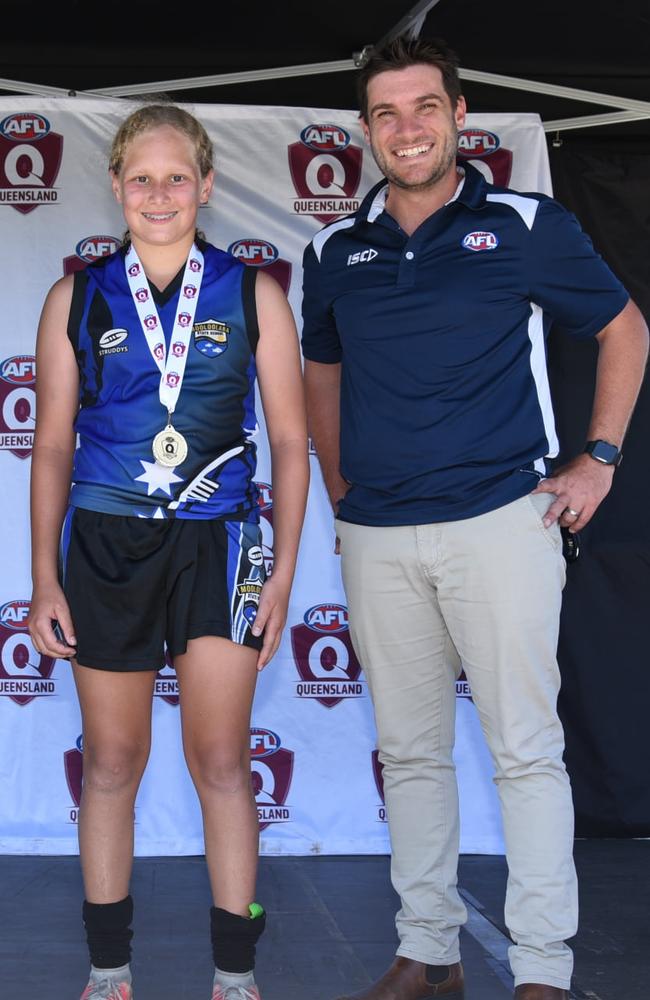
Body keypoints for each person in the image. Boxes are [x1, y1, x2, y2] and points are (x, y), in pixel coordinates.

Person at [301, 37, 648, 1000]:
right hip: (379, 534)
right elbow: (318, 372)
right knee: (409, 755)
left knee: (525, 753)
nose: (405, 129)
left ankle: (540, 971)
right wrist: (342, 493)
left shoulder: (527, 222)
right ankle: (430, 953)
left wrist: (601, 460)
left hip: (501, 520)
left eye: (423, 108)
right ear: (364, 131)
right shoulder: (336, 251)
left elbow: (624, 327)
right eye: (385, 114)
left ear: (461, 115)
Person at [28, 103, 309, 1000]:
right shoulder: (75, 296)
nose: (158, 193)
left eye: (176, 176)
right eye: (140, 177)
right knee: (112, 764)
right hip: (105, 545)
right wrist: (42, 578)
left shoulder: (254, 291)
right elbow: (53, 448)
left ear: (208, 185)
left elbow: (294, 445)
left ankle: (235, 977)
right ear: (114, 186)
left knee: (222, 762)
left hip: (220, 544)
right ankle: (110, 971)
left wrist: (284, 575)